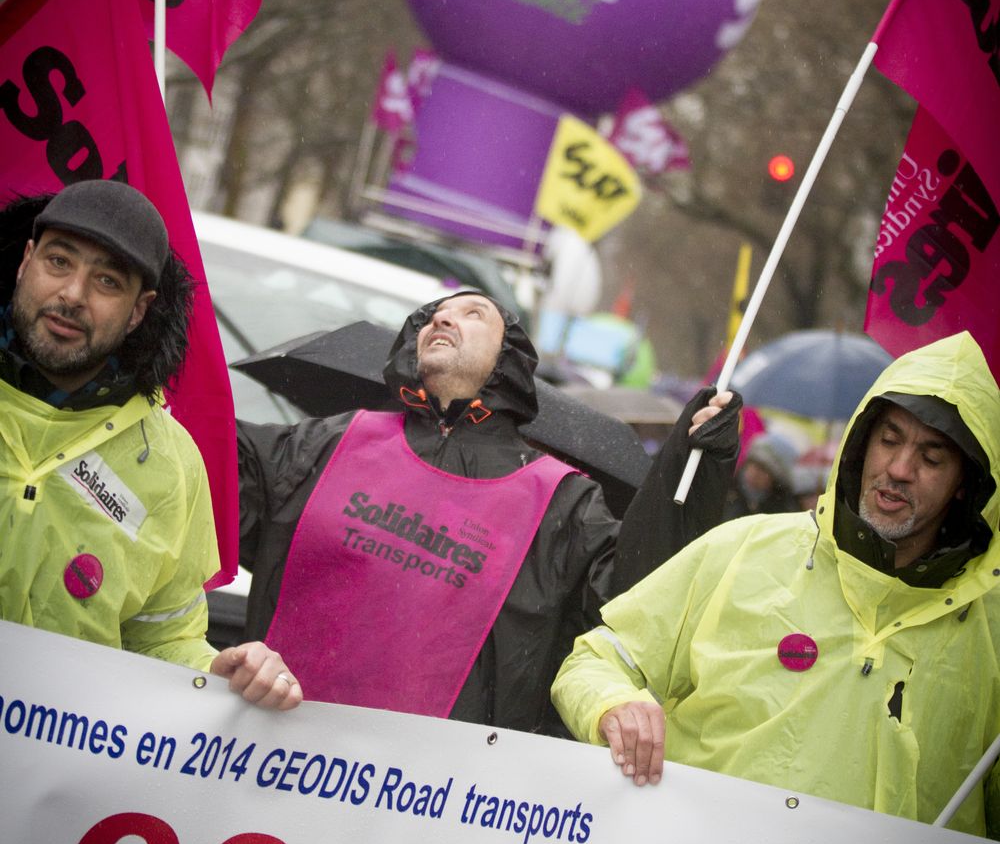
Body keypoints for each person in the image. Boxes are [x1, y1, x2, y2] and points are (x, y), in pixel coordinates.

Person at [552, 332, 1000, 838]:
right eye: (889, 440)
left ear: (966, 483)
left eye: (931, 458)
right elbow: (595, 659)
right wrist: (614, 705)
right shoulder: (746, 549)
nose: (899, 469)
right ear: (861, 443)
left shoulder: (992, 629)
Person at [238, 289, 740, 732]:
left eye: (473, 313)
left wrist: (693, 469)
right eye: (434, 314)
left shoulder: (560, 502)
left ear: (508, 358)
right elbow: (217, 476)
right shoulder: (329, 441)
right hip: (269, 748)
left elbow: (639, 594)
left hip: (432, 790)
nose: (441, 318)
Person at [0, 182, 300, 709]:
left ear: (139, 310)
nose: (73, 294)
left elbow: (162, 639)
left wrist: (216, 673)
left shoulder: (171, 464)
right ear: (27, 261)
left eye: (107, 282)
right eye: (58, 261)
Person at [725, 432, 799, 517]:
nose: (755, 473)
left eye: (764, 469)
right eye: (753, 463)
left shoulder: (783, 511)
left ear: (775, 478)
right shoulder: (723, 489)